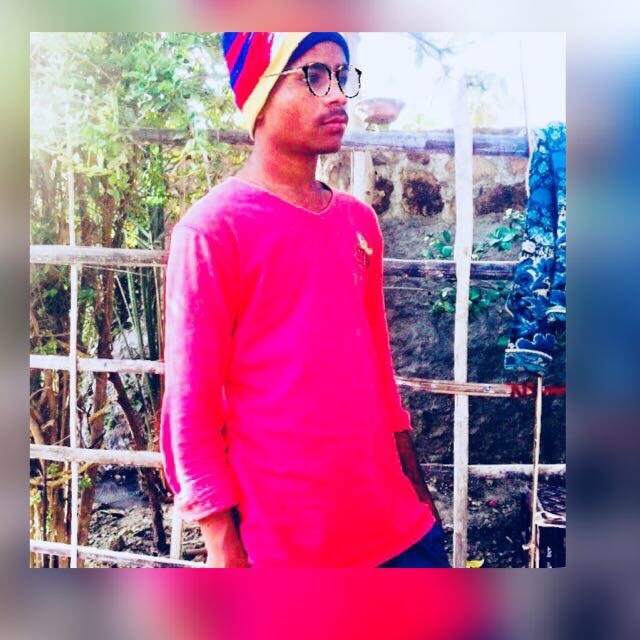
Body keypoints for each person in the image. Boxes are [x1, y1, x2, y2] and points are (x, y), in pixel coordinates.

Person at [160, 31, 449, 568]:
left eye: (342, 76)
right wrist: (220, 539)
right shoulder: (212, 230)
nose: (337, 94)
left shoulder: (357, 222)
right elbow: (190, 404)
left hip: (399, 531)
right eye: (314, 76)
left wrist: (418, 493)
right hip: (287, 548)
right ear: (260, 94)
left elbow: (378, 372)